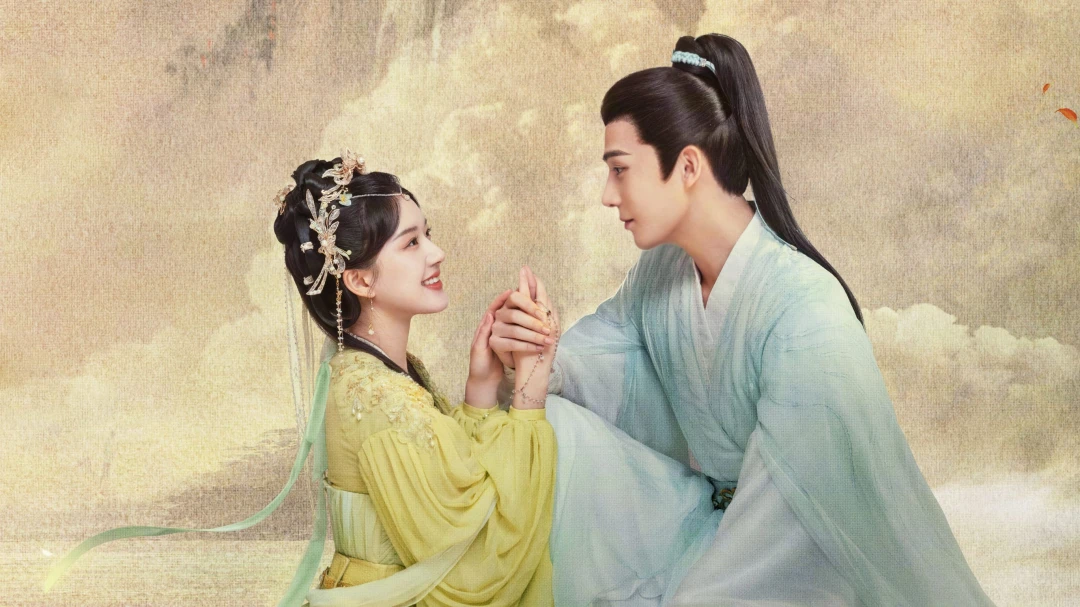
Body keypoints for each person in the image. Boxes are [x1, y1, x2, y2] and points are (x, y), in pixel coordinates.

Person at [43, 151, 722, 607]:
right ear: (361, 279)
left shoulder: (380, 374)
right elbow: (475, 559)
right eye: (412, 242)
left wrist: (481, 384)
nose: (437, 252)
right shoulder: (369, 394)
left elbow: (455, 486)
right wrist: (531, 393)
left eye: (429, 234)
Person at [493, 35, 997, 606]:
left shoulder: (804, 309)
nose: (608, 196)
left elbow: (789, 513)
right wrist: (534, 351)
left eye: (620, 170)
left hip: (802, 558)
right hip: (711, 525)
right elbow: (598, 364)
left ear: (687, 165)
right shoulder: (661, 272)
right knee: (550, 427)